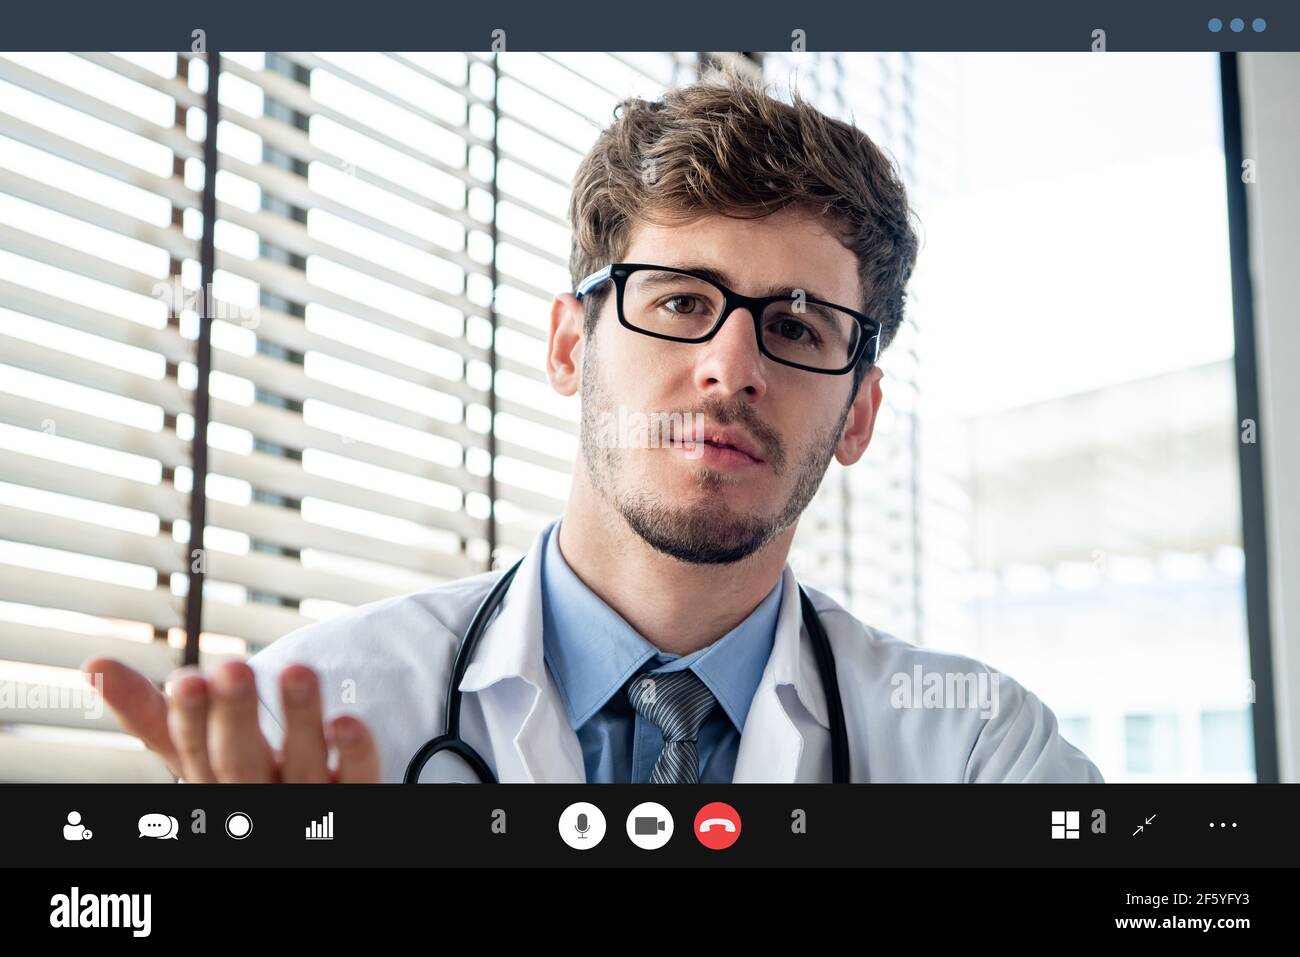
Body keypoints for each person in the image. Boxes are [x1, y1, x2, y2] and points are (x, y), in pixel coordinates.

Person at [86, 63, 1103, 785]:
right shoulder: (297, 727)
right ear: (571, 346)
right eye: (678, 302)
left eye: (795, 325)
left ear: (859, 411)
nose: (731, 368)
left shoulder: (980, 755)